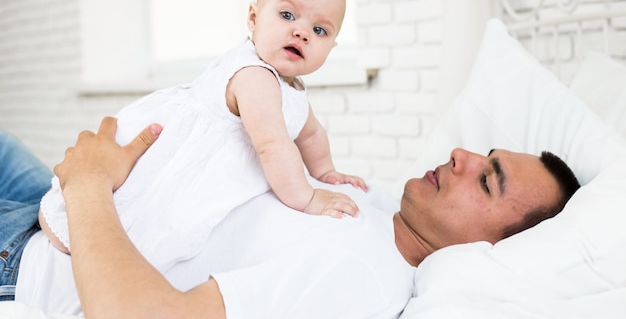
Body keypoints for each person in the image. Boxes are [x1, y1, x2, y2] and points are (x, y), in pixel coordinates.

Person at [1, 117, 580, 318]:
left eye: (487, 179)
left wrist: (89, 182)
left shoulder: (364, 274)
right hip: (54, 205)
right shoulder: (380, 212)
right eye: (486, 154)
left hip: (32, 254)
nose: (462, 156)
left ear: (491, 250)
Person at [37, 0, 367, 267]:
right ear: (253, 18)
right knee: (140, 205)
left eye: (320, 30)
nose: (301, 32)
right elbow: (274, 145)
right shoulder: (255, 76)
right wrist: (309, 198)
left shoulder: (290, 87)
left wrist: (325, 171)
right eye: (287, 15)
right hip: (180, 152)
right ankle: (57, 233)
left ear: (332, 47)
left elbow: (310, 133)